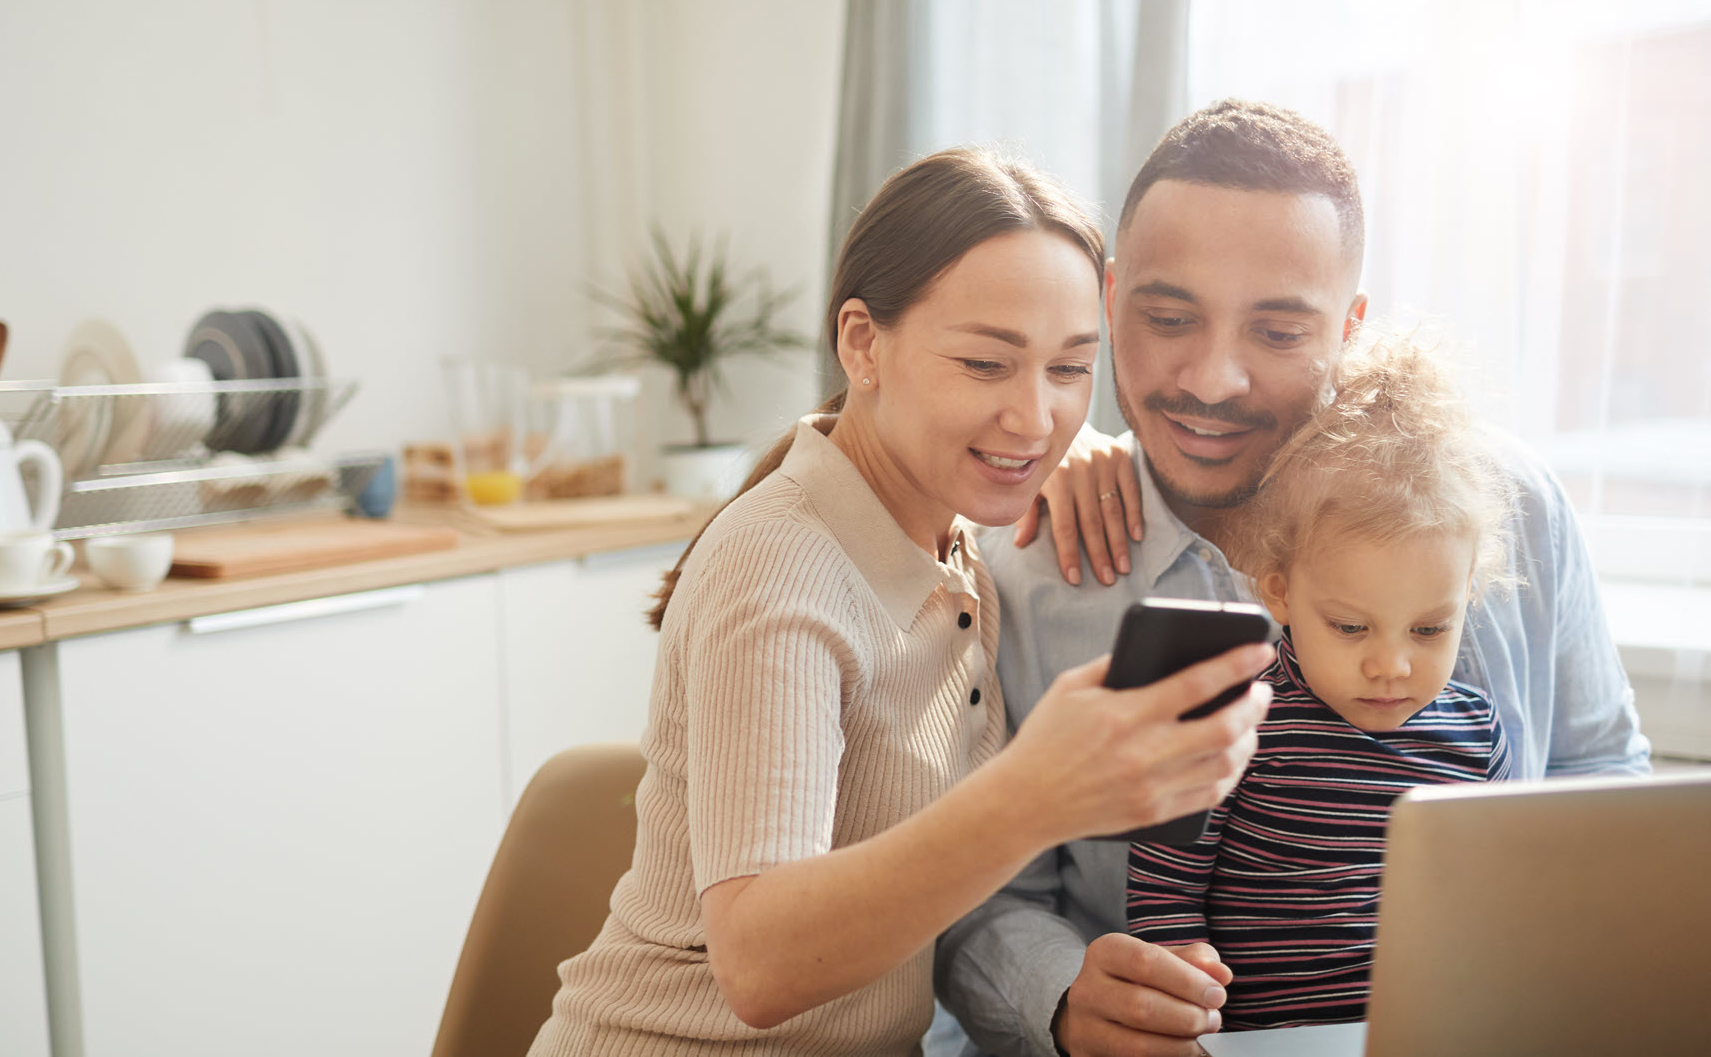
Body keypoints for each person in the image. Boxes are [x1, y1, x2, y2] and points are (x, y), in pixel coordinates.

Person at [933, 101, 1651, 1057]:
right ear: (1108, 304)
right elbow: (978, 898)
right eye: (1168, 316)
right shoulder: (1018, 565)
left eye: (1277, 333)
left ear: (1350, 328)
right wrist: (1061, 999)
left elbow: (1600, 774)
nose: (1215, 378)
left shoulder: (1507, 504)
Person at [526, 146, 1276, 1057]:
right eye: (985, 363)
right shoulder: (781, 562)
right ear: (862, 343)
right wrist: (1035, 794)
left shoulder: (949, 542)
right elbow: (759, 963)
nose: (1037, 418)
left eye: (1071, 369)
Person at [1126, 333, 1516, 1031]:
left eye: (1429, 630)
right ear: (1279, 591)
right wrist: (1184, 972)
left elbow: (1495, 902)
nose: (1392, 665)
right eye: (1351, 627)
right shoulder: (1230, 718)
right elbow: (1163, 891)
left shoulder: (1478, 736)